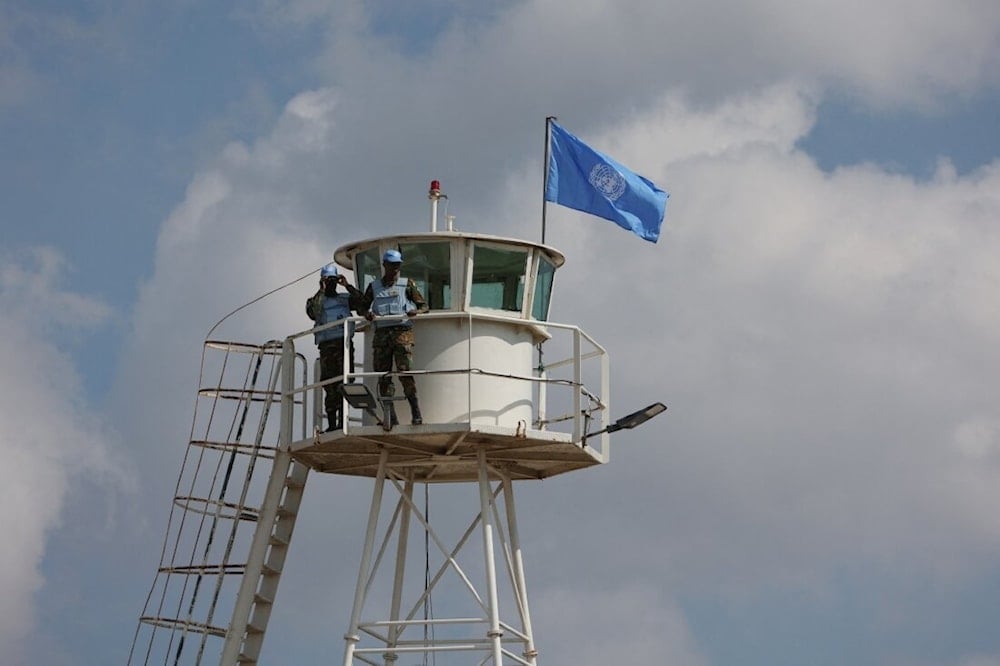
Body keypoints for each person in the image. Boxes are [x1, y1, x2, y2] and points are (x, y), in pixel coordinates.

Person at [361, 249, 428, 426]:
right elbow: (362, 307)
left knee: (405, 373)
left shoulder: (407, 285)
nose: (395, 270)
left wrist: (416, 311)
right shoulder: (374, 287)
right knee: (383, 376)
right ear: (384, 266)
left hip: (402, 335)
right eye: (392, 266)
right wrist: (366, 313)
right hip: (382, 337)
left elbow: (424, 306)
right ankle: (390, 415)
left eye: (398, 266)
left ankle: (415, 411)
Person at [306, 262, 365, 432]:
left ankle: (342, 421)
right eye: (328, 280)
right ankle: (332, 424)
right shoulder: (316, 301)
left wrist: (347, 285)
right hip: (327, 348)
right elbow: (312, 312)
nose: (331, 283)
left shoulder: (344, 299)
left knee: (346, 381)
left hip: (344, 345)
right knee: (330, 385)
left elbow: (363, 302)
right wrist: (322, 290)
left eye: (333, 280)